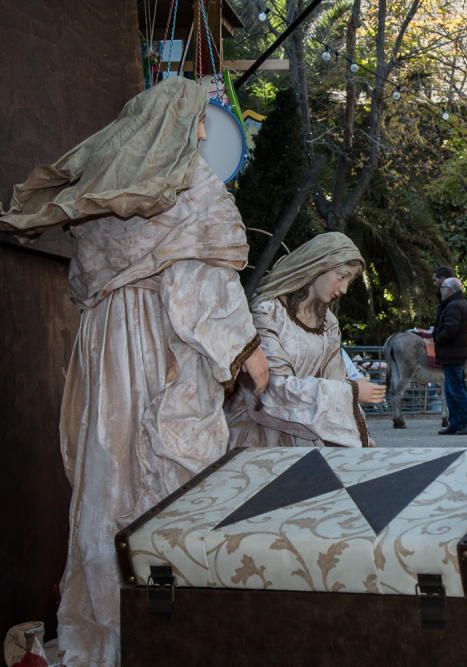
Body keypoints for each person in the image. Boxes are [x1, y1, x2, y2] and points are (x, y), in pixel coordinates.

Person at [0, 78, 268, 665]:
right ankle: (167, 636)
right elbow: (200, 287)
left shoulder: (103, 196)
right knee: (168, 485)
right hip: (156, 349)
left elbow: (83, 286)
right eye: (199, 120)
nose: (203, 133)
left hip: (103, 357)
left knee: (107, 484)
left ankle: (107, 631)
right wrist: (248, 351)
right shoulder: (187, 183)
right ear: (171, 125)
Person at [226, 233, 386, 448]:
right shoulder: (268, 313)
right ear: (318, 266)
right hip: (262, 433)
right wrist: (351, 392)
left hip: (309, 434)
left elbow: (335, 377)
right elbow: (270, 388)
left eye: (350, 280)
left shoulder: (328, 322)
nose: (345, 289)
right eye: (342, 276)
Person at [435, 277, 467, 435]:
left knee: (456, 390)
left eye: (443, 288)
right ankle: (455, 423)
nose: (441, 290)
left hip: (453, 354)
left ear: (450, 289)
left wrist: (438, 337)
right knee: (451, 390)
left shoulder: (454, 306)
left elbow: (450, 330)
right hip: (455, 354)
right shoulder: (459, 304)